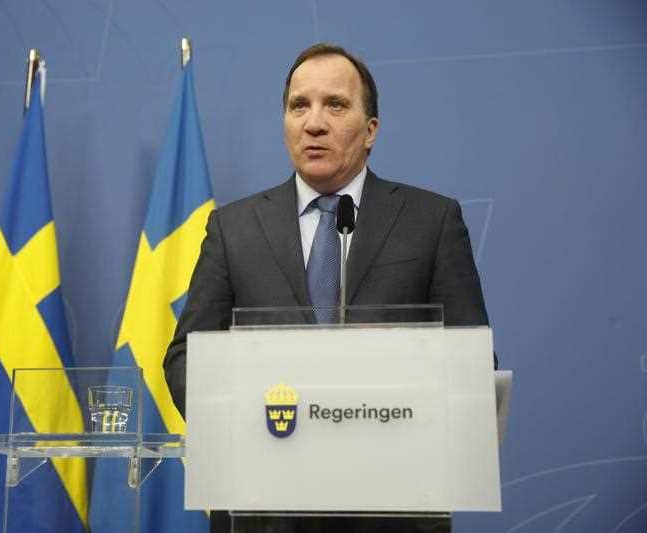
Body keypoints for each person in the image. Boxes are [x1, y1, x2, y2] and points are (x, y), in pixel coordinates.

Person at [164, 42, 491, 533]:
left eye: (335, 104)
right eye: (299, 105)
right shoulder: (233, 229)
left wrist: (398, 365)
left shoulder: (432, 222)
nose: (313, 123)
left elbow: (473, 365)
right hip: (265, 507)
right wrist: (256, 421)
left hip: (392, 509)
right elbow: (185, 358)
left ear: (371, 130)